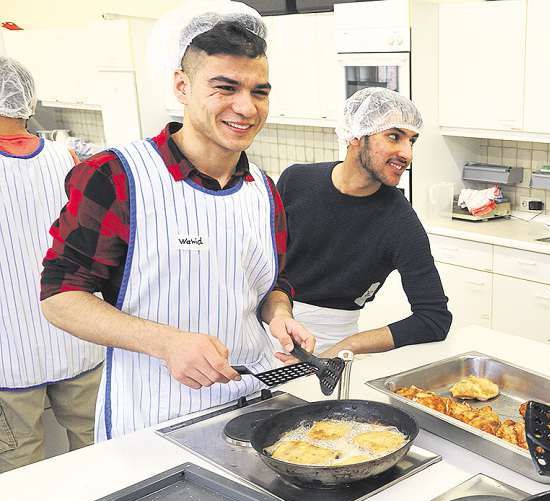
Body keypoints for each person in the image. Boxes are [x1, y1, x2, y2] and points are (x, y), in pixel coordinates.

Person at [39, 3, 313, 441]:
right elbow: (60, 297)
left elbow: (270, 284)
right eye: (225, 87)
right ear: (181, 86)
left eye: (259, 92)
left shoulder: (264, 189)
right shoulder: (116, 177)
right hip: (154, 418)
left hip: (254, 407)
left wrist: (279, 314)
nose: (246, 107)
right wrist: (167, 343)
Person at [277, 87, 451, 355]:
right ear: (356, 135)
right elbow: (265, 265)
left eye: (412, 141)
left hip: (329, 345)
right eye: (394, 136)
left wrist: (349, 345)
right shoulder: (296, 181)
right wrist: (278, 315)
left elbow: (434, 319)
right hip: (266, 325)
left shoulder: (400, 223)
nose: (407, 153)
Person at [0, 57, 104, 472]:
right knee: (102, 453)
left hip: (9, 355)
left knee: (22, 472)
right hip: (79, 336)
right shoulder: (70, 158)